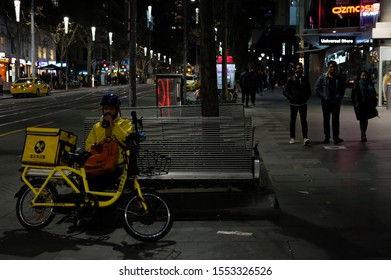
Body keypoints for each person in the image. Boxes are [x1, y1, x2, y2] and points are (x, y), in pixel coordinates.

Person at [85, 93, 134, 178]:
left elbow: (126, 142)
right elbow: (88, 146)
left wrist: (113, 126)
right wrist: (95, 147)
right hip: (100, 163)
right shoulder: (97, 127)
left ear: (117, 110)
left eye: (111, 109)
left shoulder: (125, 124)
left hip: (118, 164)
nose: (108, 111)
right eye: (106, 109)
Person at [315, 60, 346, 144]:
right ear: (328, 68)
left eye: (334, 67)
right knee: (326, 120)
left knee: (335, 120)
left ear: (336, 68)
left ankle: (336, 137)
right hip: (326, 102)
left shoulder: (339, 78)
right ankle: (327, 137)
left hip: (336, 102)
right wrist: (323, 96)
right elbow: (317, 89)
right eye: (331, 67)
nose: (332, 68)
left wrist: (339, 97)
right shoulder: (322, 78)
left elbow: (342, 89)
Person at [283, 62, 312, 146]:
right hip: (293, 104)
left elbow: (309, 90)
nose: (300, 69)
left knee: (304, 121)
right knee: (293, 121)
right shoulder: (291, 79)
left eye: (301, 68)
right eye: (298, 68)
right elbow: (285, 91)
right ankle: (292, 137)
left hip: (303, 103)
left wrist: (306, 98)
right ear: (295, 69)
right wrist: (291, 97)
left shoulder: (305, 79)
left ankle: (305, 138)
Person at [351, 70, 379, 143]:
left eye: (365, 75)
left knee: (365, 120)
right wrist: (355, 102)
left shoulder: (370, 84)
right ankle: (363, 134)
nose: (364, 77)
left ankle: (363, 134)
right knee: (362, 119)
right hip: (360, 104)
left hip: (367, 104)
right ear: (360, 76)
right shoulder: (357, 84)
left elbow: (373, 94)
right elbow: (353, 94)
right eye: (362, 75)